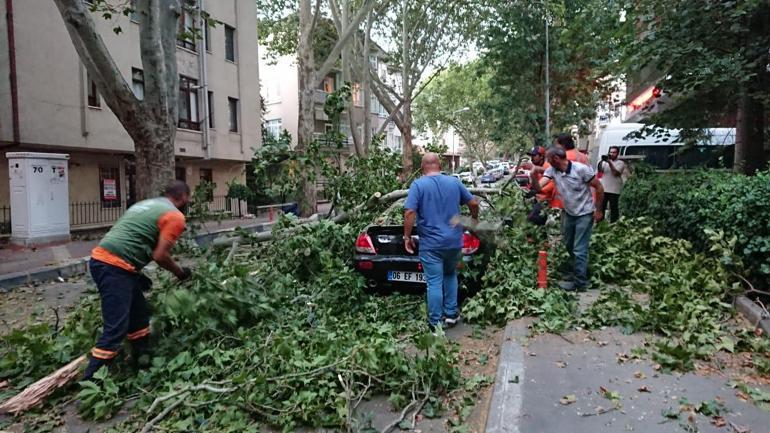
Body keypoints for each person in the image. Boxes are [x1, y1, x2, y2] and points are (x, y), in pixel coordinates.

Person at [84, 181, 192, 379]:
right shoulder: (175, 216)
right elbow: (160, 255)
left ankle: (141, 360)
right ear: (184, 197)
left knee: (139, 316)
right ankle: (90, 382)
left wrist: (136, 275)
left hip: (105, 262)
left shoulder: (144, 205)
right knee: (116, 328)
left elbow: (133, 237)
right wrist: (180, 273)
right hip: (114, 267)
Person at [404, 153, 479, 332]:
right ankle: (451, 315)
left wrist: (407, 237)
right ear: (439, 165)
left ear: (422, 167)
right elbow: (474, 203)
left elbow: (409, 213)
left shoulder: (418, 185)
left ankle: (436, 323)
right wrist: (472, 221)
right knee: (450, 275)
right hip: (454, 242)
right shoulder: (454, 182)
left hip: (431, 245)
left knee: (434, 282)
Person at [530, 146, 604, 292]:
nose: (547, 163)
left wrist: (599, 210)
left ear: (556, 159)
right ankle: (578, 272)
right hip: (569, 213)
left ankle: (580, 283)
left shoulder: (581, 170)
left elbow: (599, 187)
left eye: (549, 160)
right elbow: (538, 188)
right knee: (569, 245)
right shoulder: (553, 171)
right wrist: (533, 175)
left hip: (584, 213)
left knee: (579, 249)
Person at [597, 146, 629, 223]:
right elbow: (600, 171)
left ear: (617, 153)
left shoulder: (620, 163)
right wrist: (601, 161)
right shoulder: (605, 162)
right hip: (604, 188)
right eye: (610, 152)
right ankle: (600, 224)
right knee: (602, 208)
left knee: (614, 209)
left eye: (614, 152)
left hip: (614, 190)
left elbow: (615, 173)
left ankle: (614, 224)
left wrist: (610, 163)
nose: (612, 154)